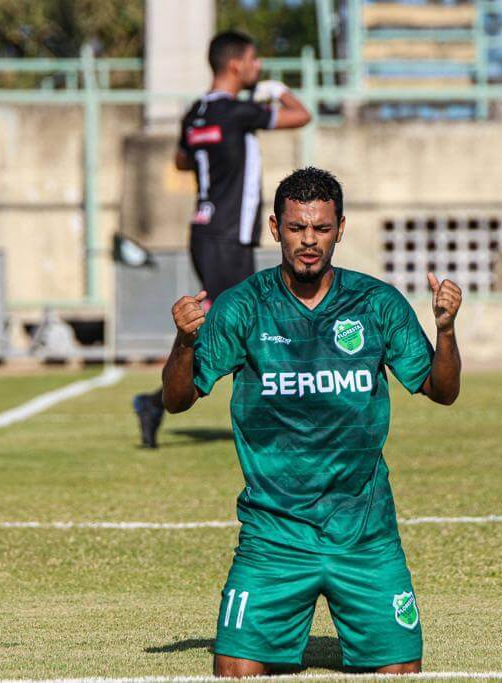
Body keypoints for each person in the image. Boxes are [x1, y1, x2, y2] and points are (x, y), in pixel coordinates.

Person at [161, 168, 463, 676]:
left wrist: (447, 330)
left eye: (321, 229)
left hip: (363, 531)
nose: (309, 242)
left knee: (401, 672)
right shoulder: (242, 306)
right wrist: (185, 341)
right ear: (275, 227)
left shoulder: (376, 303)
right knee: (234, 670)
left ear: (340, 228)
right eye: (298, 228)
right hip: (274, 532)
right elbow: (177, 400)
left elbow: (442, 390)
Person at [133, 30, 312, 448]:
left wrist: (212, 156)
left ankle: (156, 403)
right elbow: (301, 115)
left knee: (230, 323)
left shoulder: (196, 111)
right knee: (252, 324)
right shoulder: (237, 111)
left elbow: (181, 158)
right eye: (254, 61)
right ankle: (274, 418)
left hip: (207, 229)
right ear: (235, 65)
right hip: (228, 233)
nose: (258, 67)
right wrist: (279, 90)